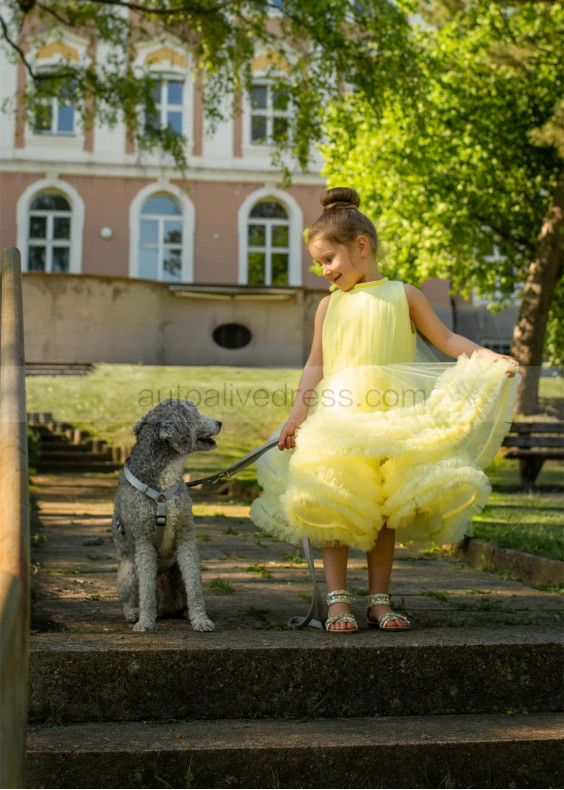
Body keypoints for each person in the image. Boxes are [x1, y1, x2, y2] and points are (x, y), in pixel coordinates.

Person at [250, 187, 519, 634]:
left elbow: (447, 340)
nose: (324, 272)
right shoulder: (326, 306)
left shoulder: (403, 294)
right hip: (338, 417)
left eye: (328, 260)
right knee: (334, 500)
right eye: (319, 264)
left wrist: (490, 358)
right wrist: (296, 416)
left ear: (361, 246)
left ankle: (379, 600)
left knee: (383, 506)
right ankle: (337, 601)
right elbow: (314, 365)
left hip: (394, 416)